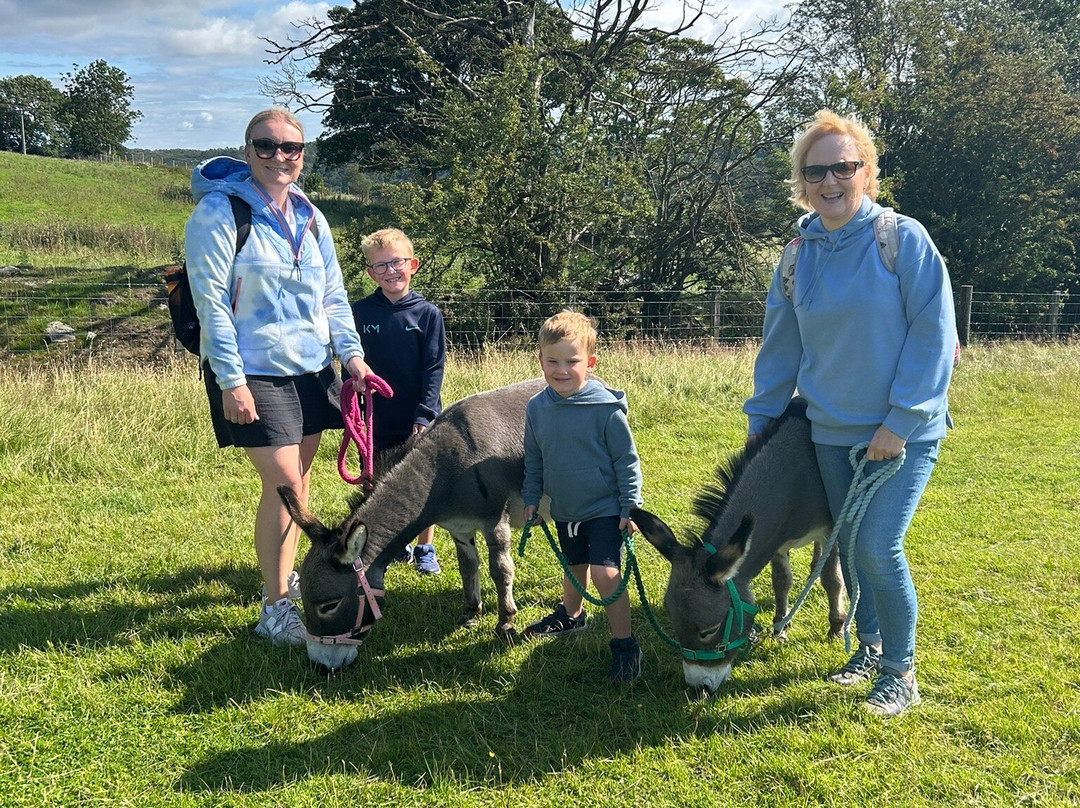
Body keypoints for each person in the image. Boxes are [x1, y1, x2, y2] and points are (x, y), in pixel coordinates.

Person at [744, 110, 955, 716]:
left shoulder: (902, 239)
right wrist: (762, 424)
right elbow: (780, 349)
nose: (830, 181)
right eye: (817, 171)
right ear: (801, 180)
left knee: (877, 546)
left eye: (844, 166)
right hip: (828, 432)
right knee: (847, 541)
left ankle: (899, 672)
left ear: (867, 171)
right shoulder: (795, 256)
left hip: (900, 433)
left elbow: (933, 334)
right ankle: (868, 648)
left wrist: (902, 419)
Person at [184, 108, 372, 646]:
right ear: (247, 151)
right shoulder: (219, 213)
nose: (279, 156)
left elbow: (333, 296)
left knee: (300, 486)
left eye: (290, 147)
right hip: (253, 370)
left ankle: (284, 573)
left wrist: (352, 357)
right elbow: (212, 304)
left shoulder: (312, 216)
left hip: (312, 369)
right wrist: (231, 380)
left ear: (303, 154)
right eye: (265, 146)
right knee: (286, 484)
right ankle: (276, 607)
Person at [522, 311, 644, 683]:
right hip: (566, 509)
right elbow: (534, 457)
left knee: (605, 572)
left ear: (590, 363)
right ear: (540, 360)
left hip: (605, 508)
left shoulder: (604, 409)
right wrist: (531, 496)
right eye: (552, 361)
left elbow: (627, 460)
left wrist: (630, 505)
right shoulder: (536, 408)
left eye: (572, 361)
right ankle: (571, 617)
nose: (561, 370)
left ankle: (625, 645)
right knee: (574, 565)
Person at [351, 227, 446, 574]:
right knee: (378, 481)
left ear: (413, 264)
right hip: (374, 417)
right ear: (370, 273)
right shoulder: (360, 312)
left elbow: (434, 367)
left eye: (397, 262)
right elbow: (351, 363)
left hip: (415, 416)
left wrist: (425, 414)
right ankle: (392, 542)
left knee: (420, 482)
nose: (391, 271)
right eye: (381, 266)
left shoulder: (427, 315)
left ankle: (425, 547)